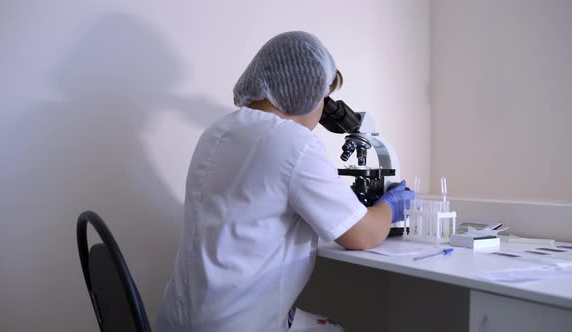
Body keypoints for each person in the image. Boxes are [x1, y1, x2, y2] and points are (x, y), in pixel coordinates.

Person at [155, 31, 415, 332]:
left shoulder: (218, 131)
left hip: (181, 319)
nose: (322, 112)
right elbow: (362, 235)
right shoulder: (292, 142)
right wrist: (393, 204)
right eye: (322, 98)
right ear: (304, 89)